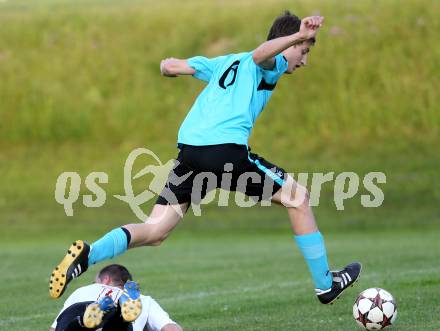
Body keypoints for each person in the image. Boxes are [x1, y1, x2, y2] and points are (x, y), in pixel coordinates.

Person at [49, 11, 361, 305]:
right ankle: (325, 284)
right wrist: (297, 37)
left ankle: (87, 255)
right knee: (299, 198)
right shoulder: (271, 63)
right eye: (303, 51)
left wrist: (167, 68)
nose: (304, 60)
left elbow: (169, 66)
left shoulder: (224, 62)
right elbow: (259, 56)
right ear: (287, 43)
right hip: (223, 150)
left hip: (190, 153)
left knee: (155, 230)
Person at [45, 264, 183, 331]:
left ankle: (81, 323)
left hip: (81, 308)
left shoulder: (82, 290)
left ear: (105, 280)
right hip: (115, 323)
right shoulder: (144, 300)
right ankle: (121, 316)